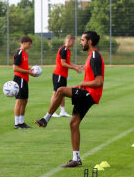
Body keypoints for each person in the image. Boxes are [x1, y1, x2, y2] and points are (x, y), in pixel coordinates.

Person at [34, 31, 104, 167]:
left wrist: (83, 84)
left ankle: (45, 119)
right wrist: (82, 85)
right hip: (87, 92)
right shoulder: (91, 56)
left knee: (60, 90)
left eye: (83, 40)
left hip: (91, 94)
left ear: (89, 41)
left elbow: (99, 82)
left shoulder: (95, 56)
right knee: (73, 124)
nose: (81, 42)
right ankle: (76, 159)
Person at [51, 35, 82, 118]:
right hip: (58, 74)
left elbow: (68, 63)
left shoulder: (68, 51)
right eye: (73, 42)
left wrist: (77, 66)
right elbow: (63, 64)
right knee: (56, 92)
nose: (74, 44)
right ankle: (52, 111)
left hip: (63, 75)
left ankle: (62, 111)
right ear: (69, 40)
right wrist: (75, 68)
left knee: (62, 92)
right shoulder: (63, 50)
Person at [13, 36, 35, 129]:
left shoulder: (25, 54)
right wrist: (28, 72)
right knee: (19, 101)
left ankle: (22, 122)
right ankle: (17, 123)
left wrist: (31, 71)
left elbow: (24, 67)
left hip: (24, 79)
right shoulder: (19, 53)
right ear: (24, 42)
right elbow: (15, 68)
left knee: (25, 100)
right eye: (29, 43)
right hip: (19, 79)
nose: (30, 46)